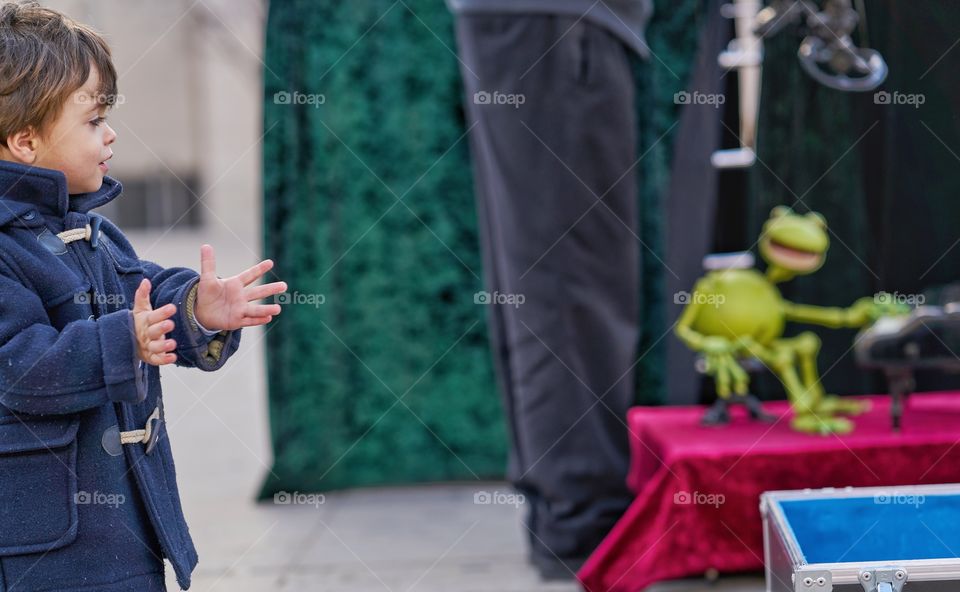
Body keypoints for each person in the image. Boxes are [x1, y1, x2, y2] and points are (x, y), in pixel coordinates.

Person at [0, 3, 286, 589]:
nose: (109, 135)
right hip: (45, 547)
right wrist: (120, 340)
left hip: (125, 528)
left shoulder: (90, 232)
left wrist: (197, 311)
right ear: (25, 141)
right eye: (91, 120)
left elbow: (142, 291)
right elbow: (18, 366)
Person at [447, 0, 654, 580]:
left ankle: (570, 518)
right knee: (570, 278)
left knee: (545, 277)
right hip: (558, 22)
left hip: (543, 22)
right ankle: (587, 523)